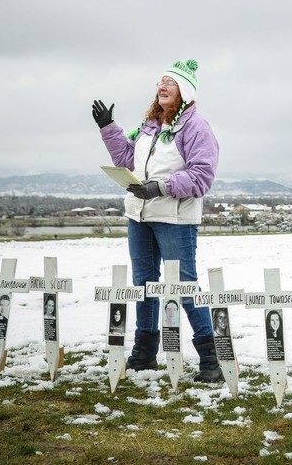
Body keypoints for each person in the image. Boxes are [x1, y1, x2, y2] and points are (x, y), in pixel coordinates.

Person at [93, 59, 223, 384]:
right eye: (160, 82)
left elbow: (202, 176)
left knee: (183, 286)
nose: (162, 86)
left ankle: (211, 360)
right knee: (145, 285)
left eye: (170, 82)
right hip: (139, 214)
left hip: (174, 219)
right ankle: (145, 355)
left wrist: (160, 187)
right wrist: (108, 128)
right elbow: (127, 160)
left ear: (185, 91)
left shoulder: (195, 128)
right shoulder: (151, 126)